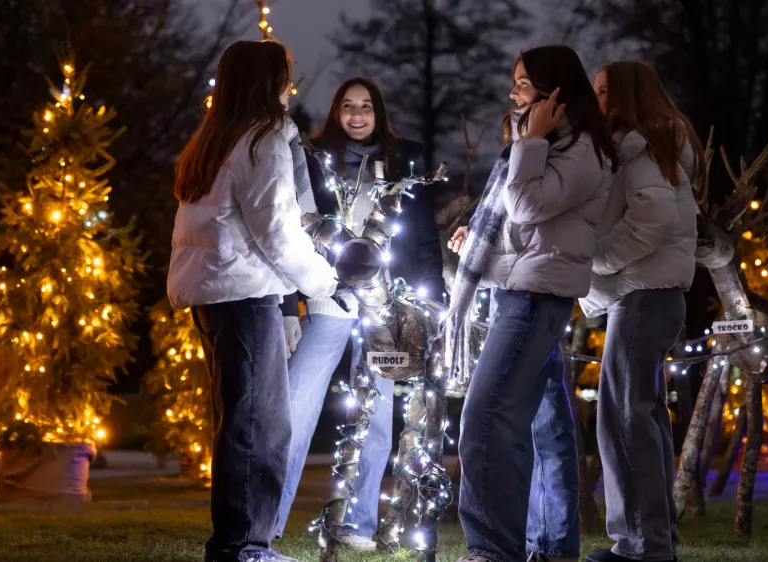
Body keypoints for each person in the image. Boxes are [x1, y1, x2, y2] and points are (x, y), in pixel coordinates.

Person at [167, 40, 340, 562]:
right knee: (258, 427)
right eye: (285, 77)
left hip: (217, 296)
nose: (291, 87)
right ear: (269, 83)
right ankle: (242, 546)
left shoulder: (215, 140)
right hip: (244, 298)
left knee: (242, 422)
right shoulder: (263, 141)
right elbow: (279, 233)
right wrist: (324, 281)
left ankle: (241, 543)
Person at [446, 45, 617, 562]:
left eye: (522, 82)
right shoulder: (540, 146)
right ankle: (552, 547)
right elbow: (522, 228)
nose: (512, 92)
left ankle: (494, 550)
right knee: (548, 429)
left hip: (535, 301)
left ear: (554, 91)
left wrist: (534, 139)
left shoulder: (580, 149)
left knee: (486, 419)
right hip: (519, 293)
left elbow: (524, 206)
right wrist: (476, 237)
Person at [275, 77, 446, 550]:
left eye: (366, 106)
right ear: (336, 112)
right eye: (347, 105)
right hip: (329, 303)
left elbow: (425, 238)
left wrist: (433, 302)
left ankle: (359, 525)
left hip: (385, 311)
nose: (356, 114)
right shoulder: (316, 160)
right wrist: (294, 304)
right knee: (296, 408)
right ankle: (265, 520)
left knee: (376, 420)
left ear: (379, 112)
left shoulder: (402, 162)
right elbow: (296, 230)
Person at [579, 60, 700, 562]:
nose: (597, 99)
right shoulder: (648, 146)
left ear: (626, 95)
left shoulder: (642, 146)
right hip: (651, 295)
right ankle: (651, 540)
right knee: (639, 419)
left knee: (625, 421)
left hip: (644, 294)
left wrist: (597, 255)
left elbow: (652, 218)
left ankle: (641, 547)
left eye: (604, 90)